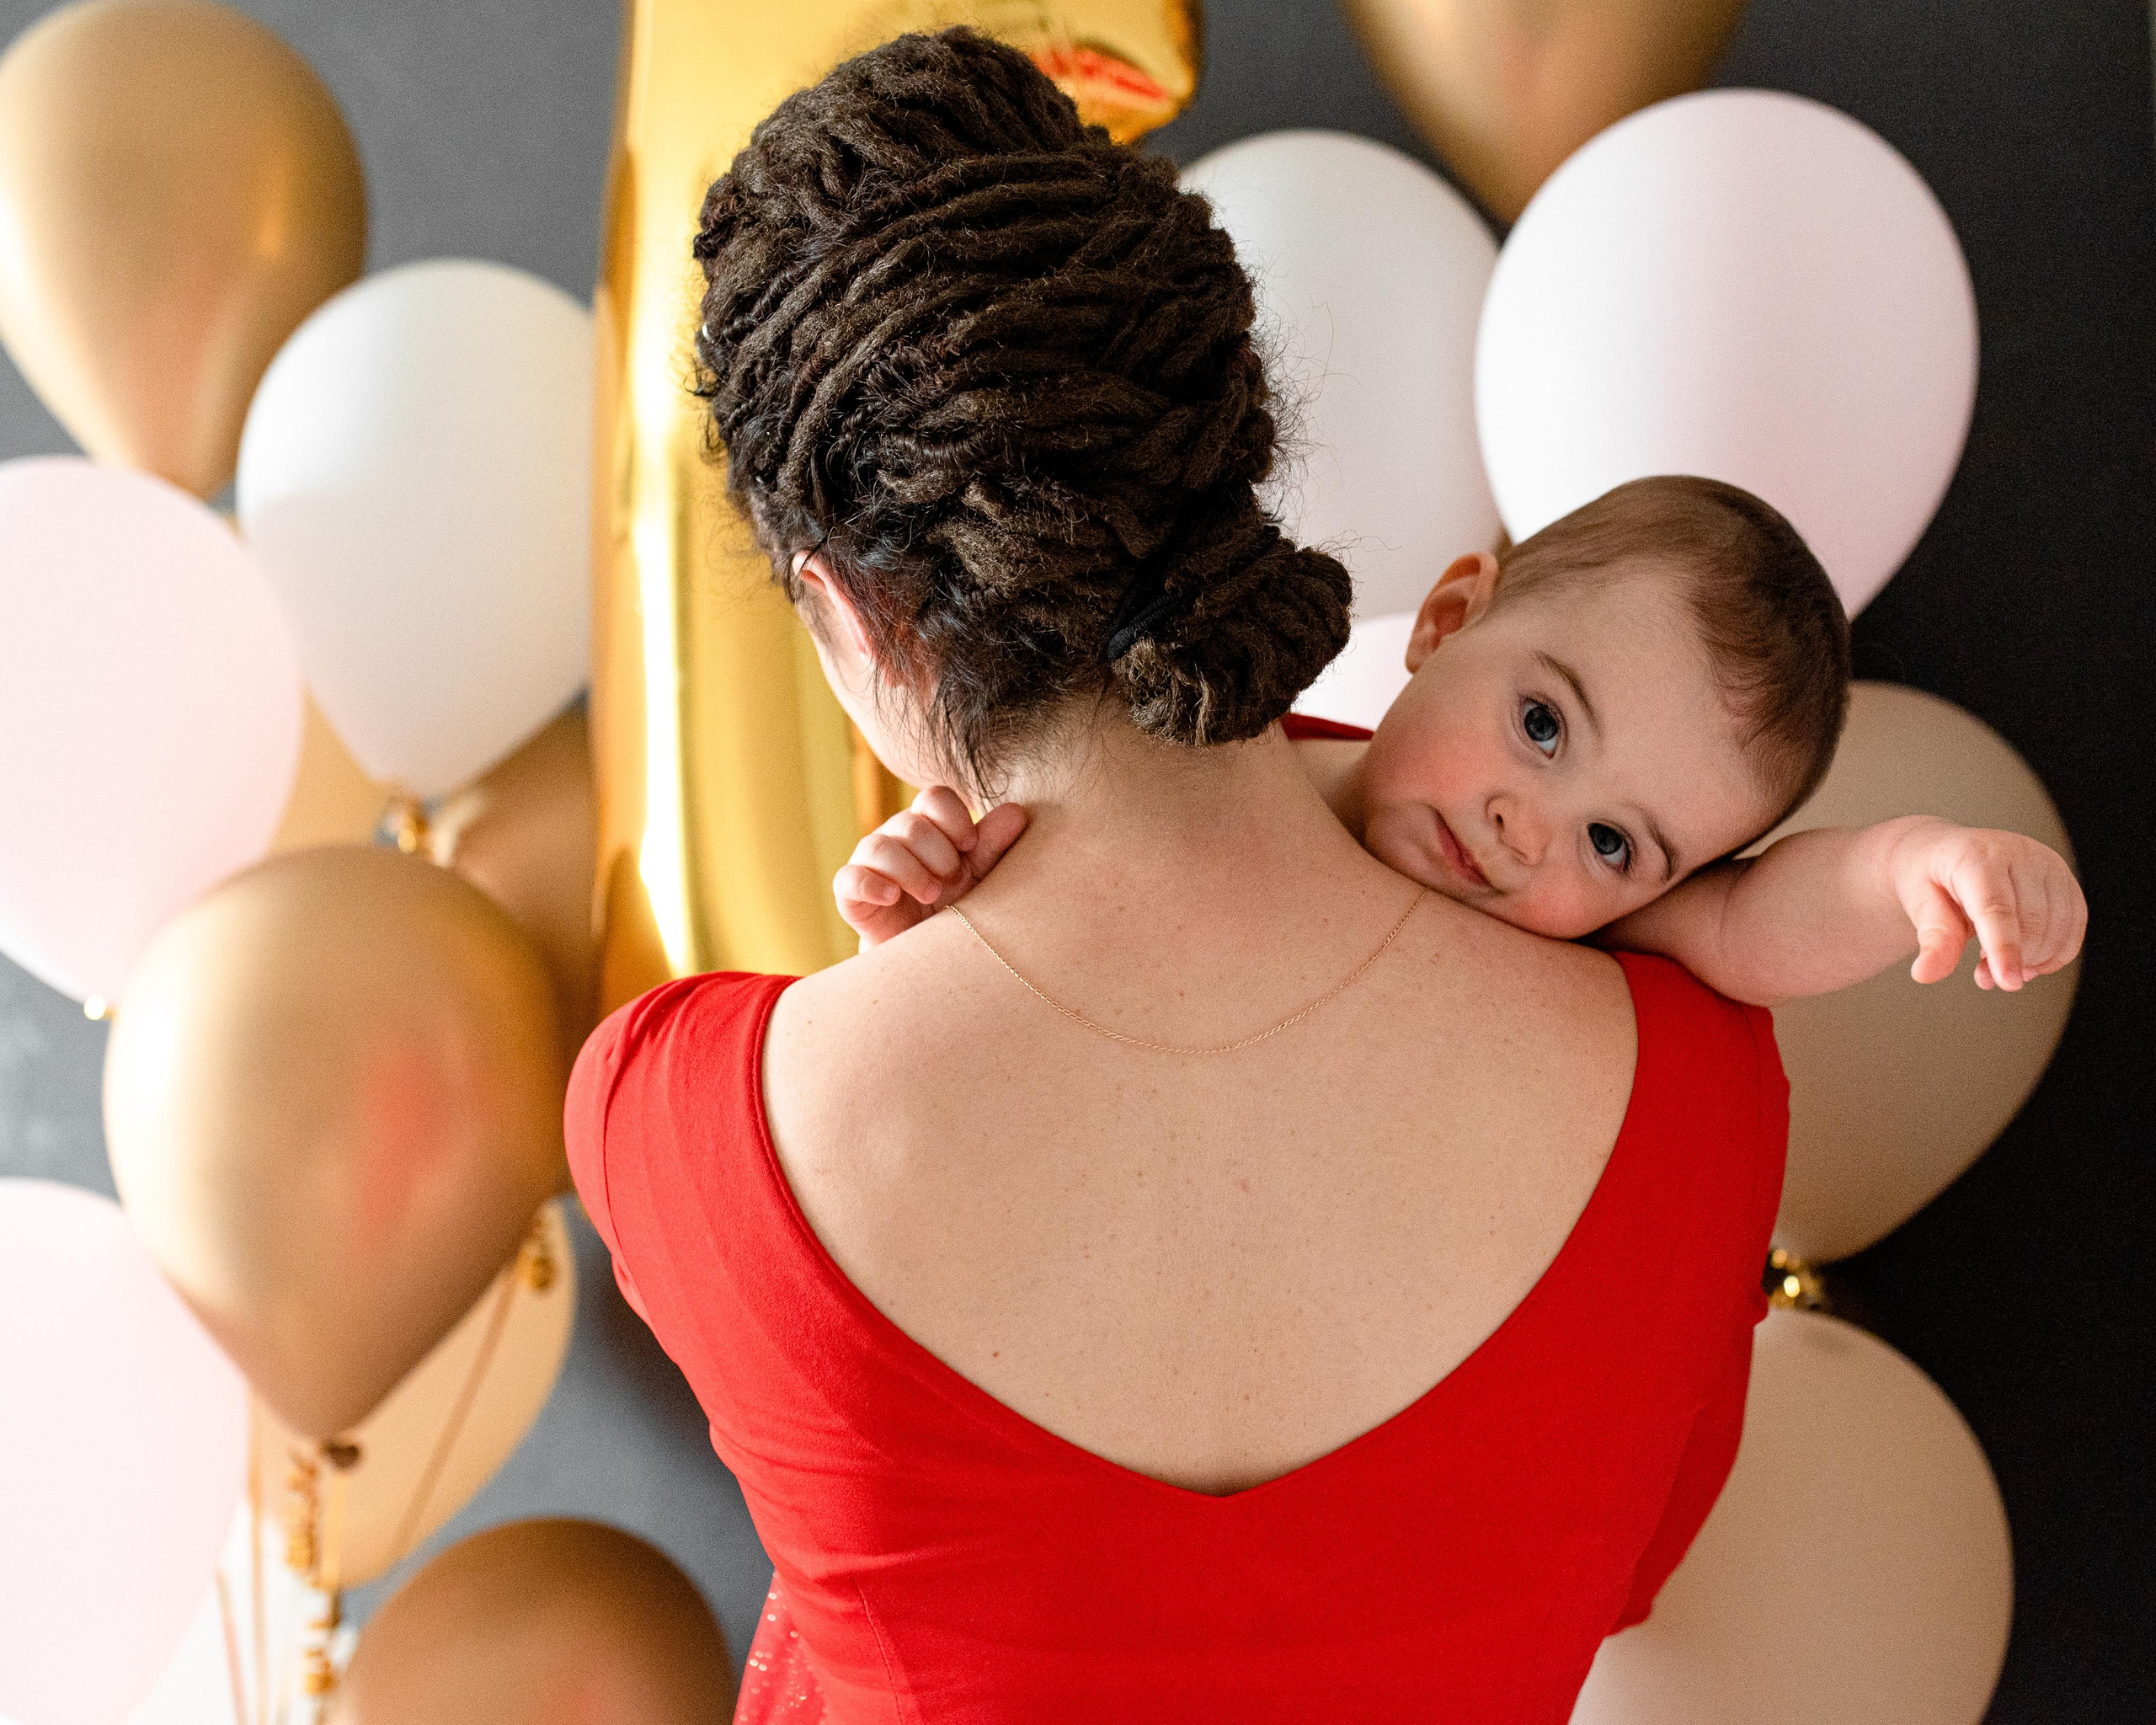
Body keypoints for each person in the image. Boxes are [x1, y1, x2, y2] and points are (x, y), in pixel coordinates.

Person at [571, 29, 1782, 1722]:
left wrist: (902, 988)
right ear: (1228, 444)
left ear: (842, 608)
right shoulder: (1696, 1088)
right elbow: (1630, 1566)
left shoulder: (676, 1120)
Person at [843, 475, 2087, 1006]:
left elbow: (1750, 923)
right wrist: (946, 909)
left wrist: (1910, 869)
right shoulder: (1218, 758)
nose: (1527, 830)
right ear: (1446, 620)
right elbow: (1062, 917)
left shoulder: (1551, 941)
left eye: (1615, 843)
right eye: (1542, 724)